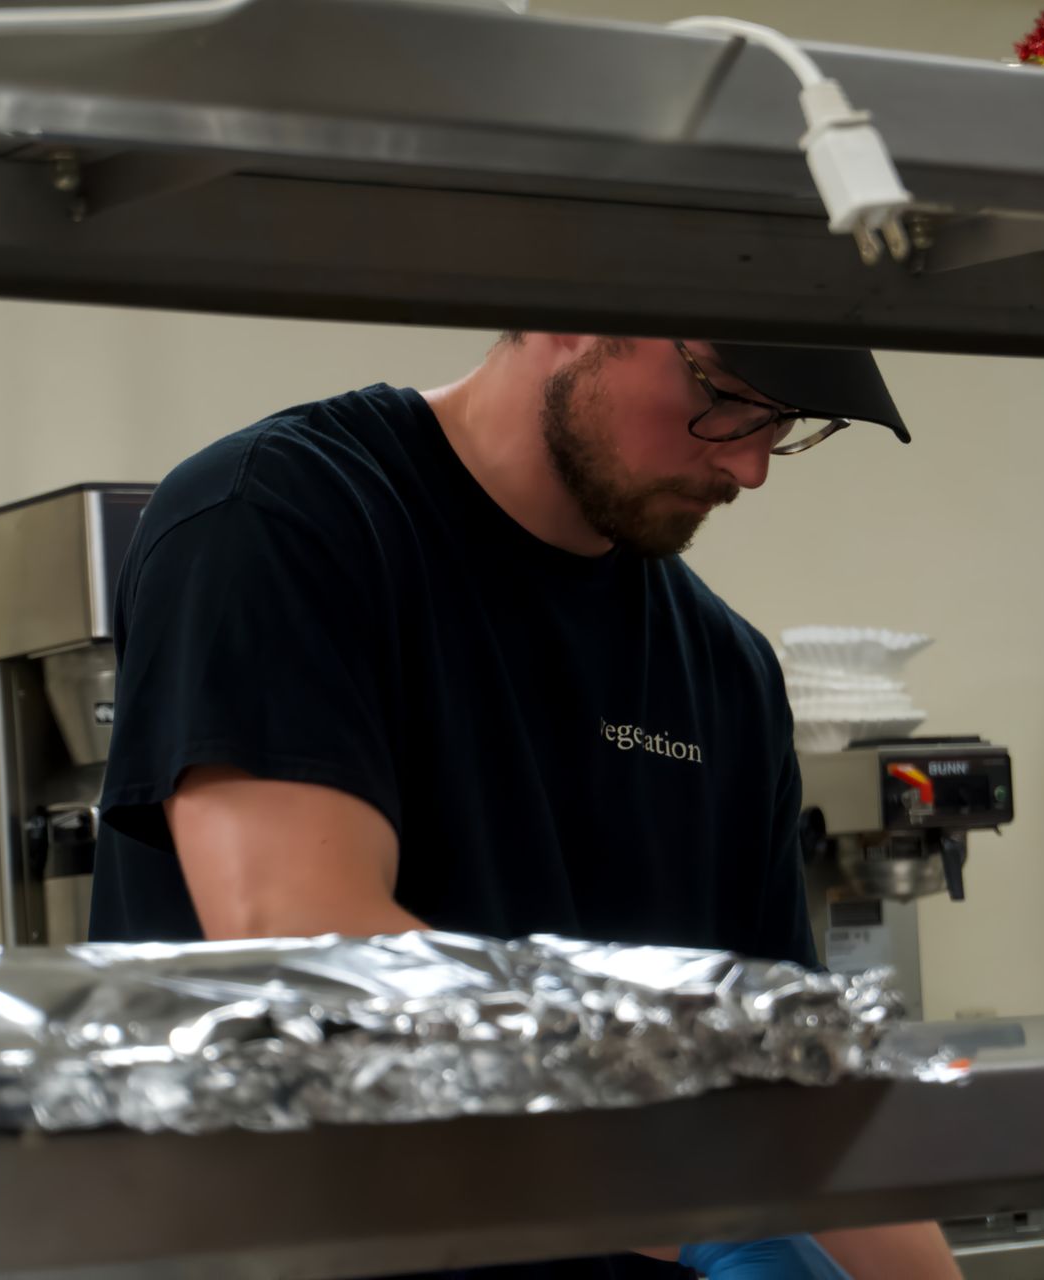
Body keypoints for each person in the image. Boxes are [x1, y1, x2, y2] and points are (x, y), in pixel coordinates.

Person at [90, 332, 961, 1280]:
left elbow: (791, 1084)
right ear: (567, 316)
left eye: (784, 424)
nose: (749, 465)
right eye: (725, 397)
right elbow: (308, 950)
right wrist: (700, 1214)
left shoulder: (724, 671)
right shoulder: (280, 520)